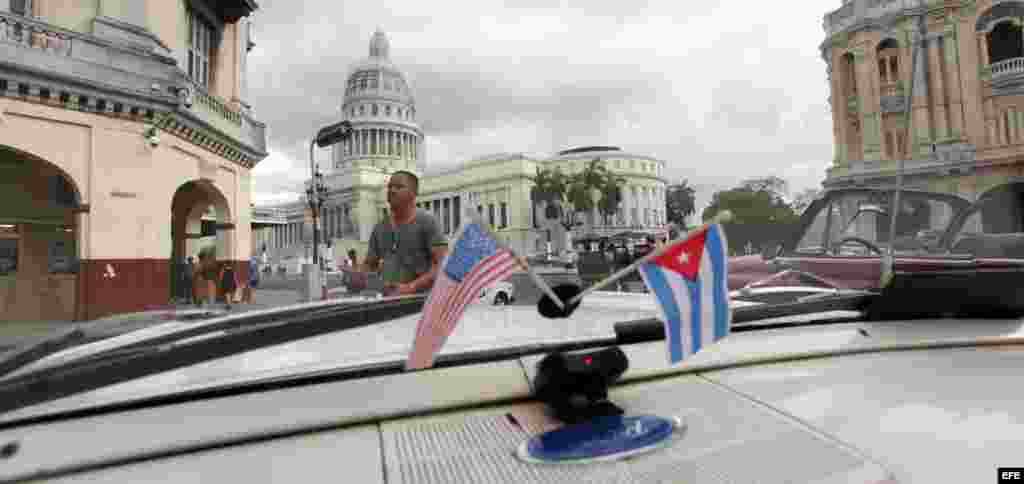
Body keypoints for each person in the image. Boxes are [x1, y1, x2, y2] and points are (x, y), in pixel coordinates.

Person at [354, 170, 448, 296]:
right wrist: (357, 275)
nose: (392, 190)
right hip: (388, 301)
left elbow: (442, 265)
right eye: (389, 187)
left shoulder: (427, 222)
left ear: (414, 193)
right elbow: (370, 264)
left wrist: (411, 287)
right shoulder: (380, 228)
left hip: (419, 303)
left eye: (399, 187)